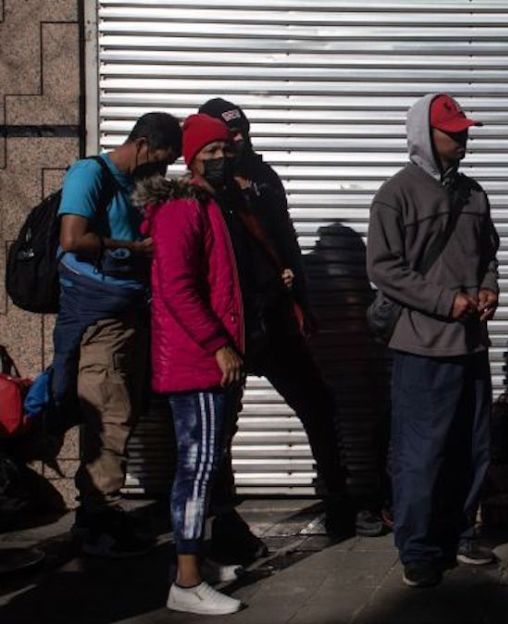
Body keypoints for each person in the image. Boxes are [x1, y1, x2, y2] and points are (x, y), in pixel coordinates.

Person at [197, 98, 370, 548]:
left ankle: (338, 502)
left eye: (242, 132)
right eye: (227, 137)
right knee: (220, 425)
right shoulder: (201, 192)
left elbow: (286, 237)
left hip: (274, 317)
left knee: (317, 404)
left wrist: (300, 298)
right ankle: (222, 517)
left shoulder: (262, 177)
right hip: (231, 326)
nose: (238, 141)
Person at [366, 93, 500, 588]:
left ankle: (460, 534)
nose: (462, 137)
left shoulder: (474, 192)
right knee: (421, 453)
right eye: (453, 131)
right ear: (425, 134)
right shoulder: (395, 194)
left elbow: (488, 253)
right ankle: (419, 550)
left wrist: (489, 287)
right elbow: (384, 269)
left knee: (471, 446)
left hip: (471, 344)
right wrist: (447, 302)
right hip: (422, 346)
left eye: (465, 129)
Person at [54, 112, 181, 558]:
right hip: (100, 317)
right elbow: (72, 239)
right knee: (109, 411)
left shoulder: (135, 185)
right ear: (143, 144)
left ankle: (103, 514)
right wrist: (130, 249)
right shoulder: (91, 172)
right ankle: (96, 523)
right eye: (164, 157)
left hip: (129, 312)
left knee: (122, 410)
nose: (165, 167)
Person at [136, 113, 246, 615]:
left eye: (226, 150)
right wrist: (216, 344)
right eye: (211, 151)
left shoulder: (209, 202)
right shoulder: (183, 206)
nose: (222, 158)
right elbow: (176, 287)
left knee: (205, 466)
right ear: (190, 155)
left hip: (207, 359)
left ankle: (197, 563)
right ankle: (185, 583)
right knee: (196, 470)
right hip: (195, 360)